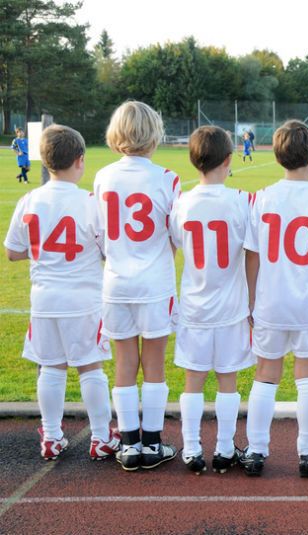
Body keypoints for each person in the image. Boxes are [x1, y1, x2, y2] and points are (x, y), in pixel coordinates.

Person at [4, 125, 120, 462]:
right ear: (80, 161)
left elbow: (12, 251)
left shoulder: (30, 198)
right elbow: (106, 249)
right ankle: (100, 437)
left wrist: (41, 252)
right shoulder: (90, 203)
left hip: (44, 300)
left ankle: (52, 436)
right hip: (82, 299)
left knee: (51, 368)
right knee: (91, 368)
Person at [240, 120, 308, 478]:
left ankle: (255, 451)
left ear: (276, 155)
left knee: (265, 375)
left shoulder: (261, 198)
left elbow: (251, 256)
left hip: (269, 301)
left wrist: (250, 301)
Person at [94, 101, 180, 472]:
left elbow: (99, 233)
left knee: (125, 363)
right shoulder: (166, 177)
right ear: (153, 133)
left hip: (115, 281)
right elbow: (176, 234)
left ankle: (128, 443)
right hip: (155, 282)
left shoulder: (103, 176)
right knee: (154, 363)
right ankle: (152, 441)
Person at [169, 126, 255, 475]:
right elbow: (251, 252)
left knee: (193, 379)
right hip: (231, 305)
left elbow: (177, 242)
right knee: (227, 379)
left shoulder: (182, 203)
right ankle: (223, 448)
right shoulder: (240, 201)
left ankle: (191, 448)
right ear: (228, 160)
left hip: (194, 304)